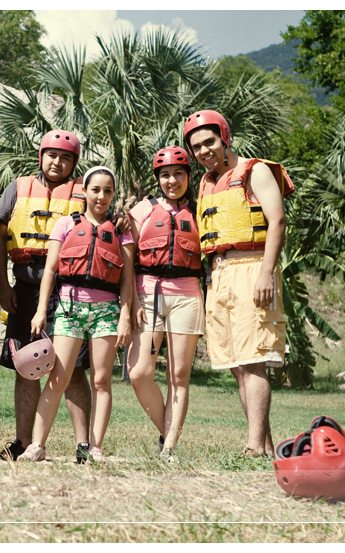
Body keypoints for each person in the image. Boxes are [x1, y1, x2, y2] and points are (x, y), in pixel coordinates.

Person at [183, 109, 294, 457]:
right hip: (219, 274)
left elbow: (277, 221)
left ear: (224, 137)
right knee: (236, 364)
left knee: (253, 359)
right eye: (196, 146)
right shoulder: (206, 181)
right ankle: (263, 445)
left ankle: (252, 448)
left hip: (251, 267)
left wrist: (266, 272)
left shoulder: (255, 170)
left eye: (209, 142)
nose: (204, 151)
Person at [0, 130, 94, 463]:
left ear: (74, 163)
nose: (57, 162)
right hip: (26, 288)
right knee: (26, 366)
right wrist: (3, 286)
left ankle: (83, 446)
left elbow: (106, 220)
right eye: (51, 155)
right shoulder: (17, 188)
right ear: (41, 156)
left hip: (69, 292)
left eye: (65, 157)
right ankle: (23, 442)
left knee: (73, 369)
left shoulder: (83, 192)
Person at [19, 166, 133, 464]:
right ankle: (37, 445)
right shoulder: (65, 225)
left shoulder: (122, 231)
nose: (102, 196)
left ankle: (94, 448)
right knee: (57, 377)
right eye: (96, 190)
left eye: (108, 191)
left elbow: (127, 280)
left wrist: (125, 317)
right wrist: (41, 310)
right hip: (70, 308)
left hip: (107, 311)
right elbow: (52, 270)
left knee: (101, 381)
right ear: (85, 191)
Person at [127, 146, 204, 463]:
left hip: (187, 295)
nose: (172, 180)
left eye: (178, 174)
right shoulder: (142, 209)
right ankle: (166, 430)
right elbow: (127, 259)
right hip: (147, 292)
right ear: (157, 178)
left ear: (188, 176)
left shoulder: (200, 211)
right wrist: (132, 301)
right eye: (165, 175)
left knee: (178, 375)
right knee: (140, 372)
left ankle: (170, 447)